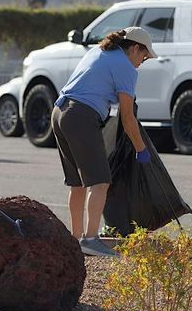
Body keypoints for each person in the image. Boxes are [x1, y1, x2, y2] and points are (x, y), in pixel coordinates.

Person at [51, 26, 156, 256]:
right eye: (144, 56)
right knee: (100, 181)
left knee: (77, 182)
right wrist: (141, 149)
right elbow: (128, 117)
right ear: (134, 48)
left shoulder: (98, 52)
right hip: (80, 116)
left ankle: (75, 239)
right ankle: (91, 239)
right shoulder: (125, 67)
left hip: (59, 114)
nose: (142, 62)